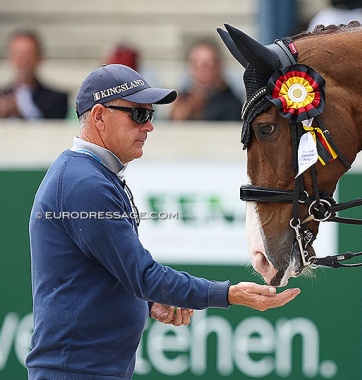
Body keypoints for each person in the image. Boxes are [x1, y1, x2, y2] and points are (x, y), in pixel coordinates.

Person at [26, 64, 300, 380]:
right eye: (138, 115)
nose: (149, 126)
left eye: (151, 115)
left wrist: (147, 302)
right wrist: (229, 294)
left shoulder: (89, 175)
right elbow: (142, 274)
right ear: (99, 116)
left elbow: (107, 274)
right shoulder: (84, 182)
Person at [0, 30, 68, 120]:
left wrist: (22, 111)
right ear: (10, 57)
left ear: (40, 57)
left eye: (28, 54)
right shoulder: (2, 96)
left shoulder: (56, 99)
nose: (23, 61)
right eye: (18, 54)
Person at [169, 38, 242, 121]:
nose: (203, 70)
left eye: (208, 64)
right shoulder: (183, 98)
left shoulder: (231, 102)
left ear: (218, 66)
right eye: (197, 64)